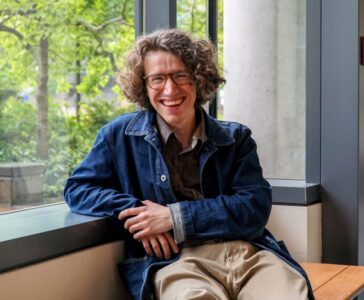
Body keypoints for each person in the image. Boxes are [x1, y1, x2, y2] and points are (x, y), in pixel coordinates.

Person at [64, 28, 314, 300]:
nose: (170, 89)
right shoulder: (118, 135)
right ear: (144, 85)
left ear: (198, 79)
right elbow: (78, 189)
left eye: (181, 76)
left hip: (250, 255)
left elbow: (254, 208)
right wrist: (138, 214)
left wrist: (174, 217)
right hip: (176, 262)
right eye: (157, 78)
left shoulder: (236, 138)